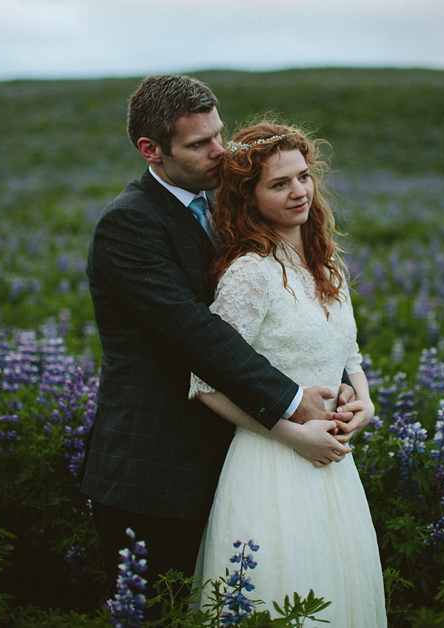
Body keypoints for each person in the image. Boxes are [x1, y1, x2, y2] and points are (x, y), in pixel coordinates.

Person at [79, 76, 355, 616]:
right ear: (150, 150)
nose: (219, 151)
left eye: (219, 134)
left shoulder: (221, 211)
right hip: (154, 471)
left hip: (231, 459)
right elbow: (197, 334)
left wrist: (341, 384)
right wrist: (293, 402)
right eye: (198, 144)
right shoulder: (129, 224)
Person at [190, 122, 387, 626]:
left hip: (335, 464)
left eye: (303, 177)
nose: (298, 191)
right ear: (250, 198)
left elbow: (350, 353)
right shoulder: (249, 273)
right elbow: (205, 384)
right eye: (279, 184)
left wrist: (363, 400)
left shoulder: (327, 262)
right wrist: (294, 435)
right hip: (271, 461)